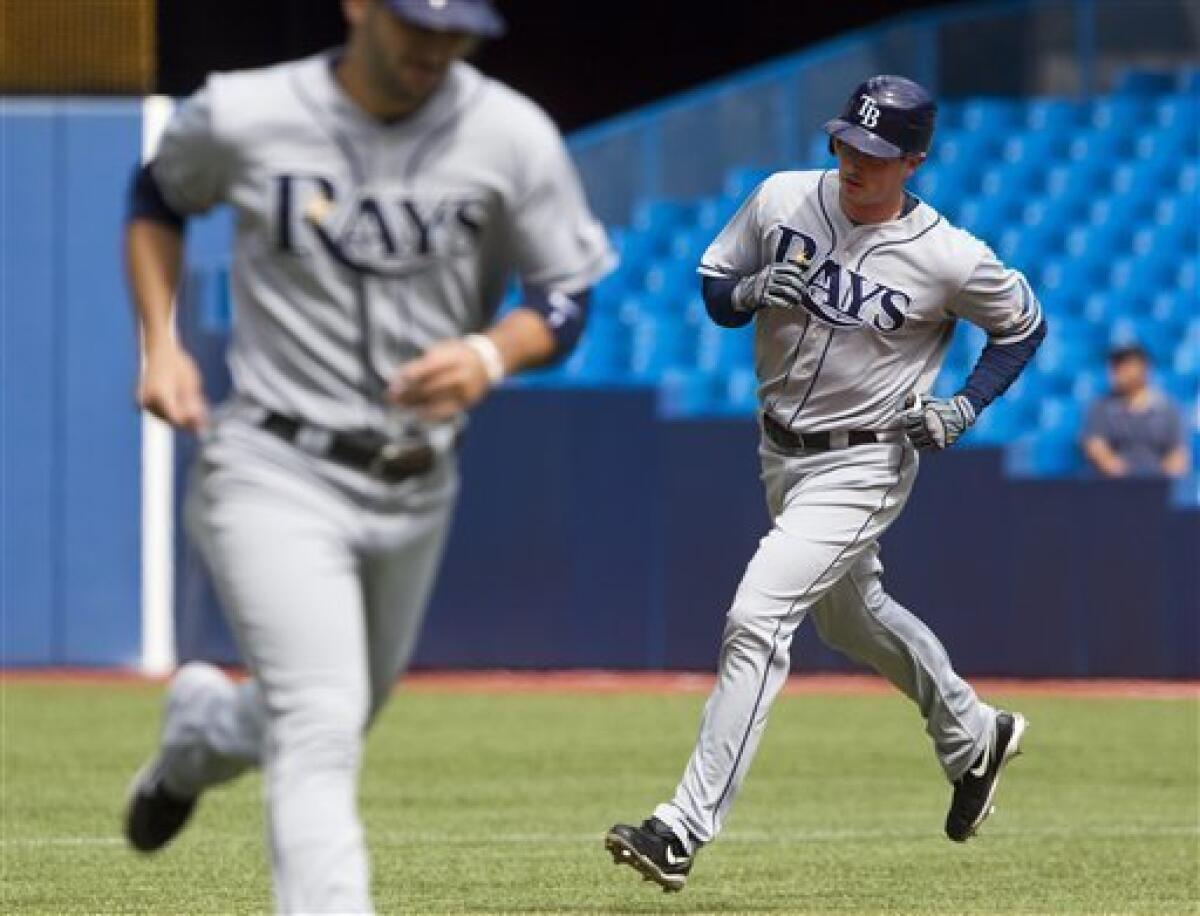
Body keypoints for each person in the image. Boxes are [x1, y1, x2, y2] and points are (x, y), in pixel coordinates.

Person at [121, 1, 613, 912]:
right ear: (357, 7)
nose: (433, 44)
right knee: (320, 721)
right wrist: (160, 341)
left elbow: (564, 292)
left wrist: (489, 353)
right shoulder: (245, 111)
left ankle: (197, 735)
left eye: (454, 27)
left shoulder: (509, 134)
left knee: (321, 711)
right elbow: (157, 194)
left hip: (416, 484)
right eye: (413, 21)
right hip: (271, 464)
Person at [606, 75, 1047, 892]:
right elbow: (713, 288)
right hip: (779, 449)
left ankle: (682, 827)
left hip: (866, 459)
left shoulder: (950, 256)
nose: (855, 161)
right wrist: (741, 293)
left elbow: (1023, 326)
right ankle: (973, 733)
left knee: (757, 616)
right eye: (848, 141)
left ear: (913, 160)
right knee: (851, 618)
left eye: (878, 152)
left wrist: (965, 406)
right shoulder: (781, 198)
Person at [1082, 344, 1189, 478]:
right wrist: (1125, 477)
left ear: (1144, 369)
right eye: (1115, 367)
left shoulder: (1169, 409)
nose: (1118, 373)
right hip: (1113, 485)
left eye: (1125, 367)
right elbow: (1095, 446)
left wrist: (1157, 480)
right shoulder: (1100, 407)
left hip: (1157, 486)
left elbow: (1178, 454)